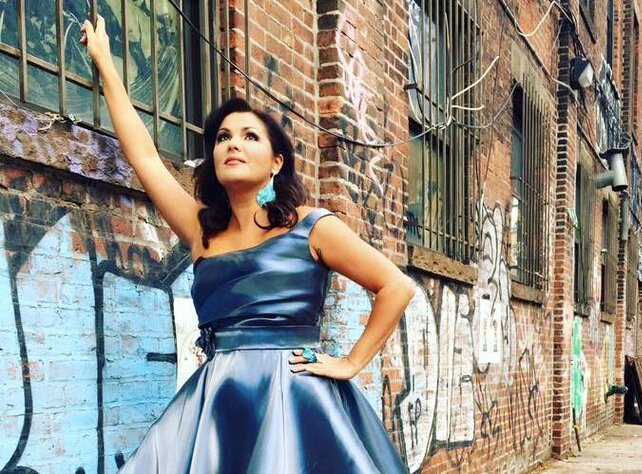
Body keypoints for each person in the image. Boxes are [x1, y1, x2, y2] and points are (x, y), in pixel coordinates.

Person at [81, 15, 414, 473]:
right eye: (223, 138)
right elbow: (145, 158)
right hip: (219, 397)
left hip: (296, 397)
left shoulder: (312, 227)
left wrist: (351, 363)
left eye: (249, 136)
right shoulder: (202, 230)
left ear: (277, 162)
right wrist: (106, 63)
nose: (232, 144)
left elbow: (396, 287)